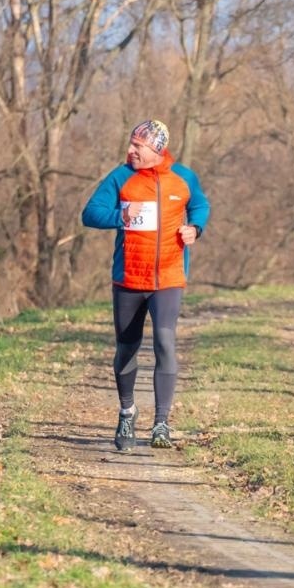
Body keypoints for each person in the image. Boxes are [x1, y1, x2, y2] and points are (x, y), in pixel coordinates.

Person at [81, 119, 210, 452]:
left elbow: (200, 205)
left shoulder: (183, 177)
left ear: (156, 149)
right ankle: (127, 412)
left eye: (137, 146)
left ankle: (162, 423)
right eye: (131, 144)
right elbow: (90, 213)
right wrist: (119, 216)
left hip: (168, 277)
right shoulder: (120, 177)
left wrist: (195, 228)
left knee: (165, 341)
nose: (130, 151)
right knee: (127, 346)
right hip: (129, 278)